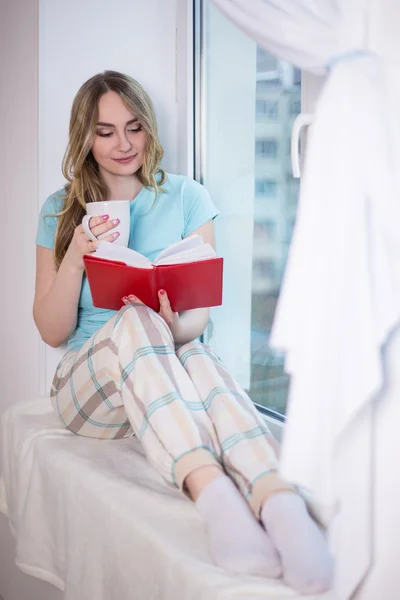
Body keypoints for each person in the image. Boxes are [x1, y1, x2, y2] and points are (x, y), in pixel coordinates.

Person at [33, 70, 332, 594]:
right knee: (137, 319)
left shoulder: (188, 196)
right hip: (90, 391)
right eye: (105, 132)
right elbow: (51, 329)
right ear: (83, 136)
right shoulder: (59, 209)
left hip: (168, 372)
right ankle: (211, 491)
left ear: (149, 128)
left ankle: (277, 500)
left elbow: (199, 317)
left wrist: (176, 324)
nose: (123, 144)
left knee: (198, 354)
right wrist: (77, 257)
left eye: (134, 127)